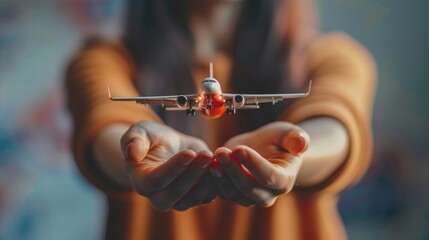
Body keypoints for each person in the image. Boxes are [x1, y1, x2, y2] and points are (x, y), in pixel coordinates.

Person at [65, 0, 376, 239]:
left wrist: (295, 150)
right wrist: (136, 152)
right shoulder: (104, 61)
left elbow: (336, 126)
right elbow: (106, 124)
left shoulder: (331, 57)